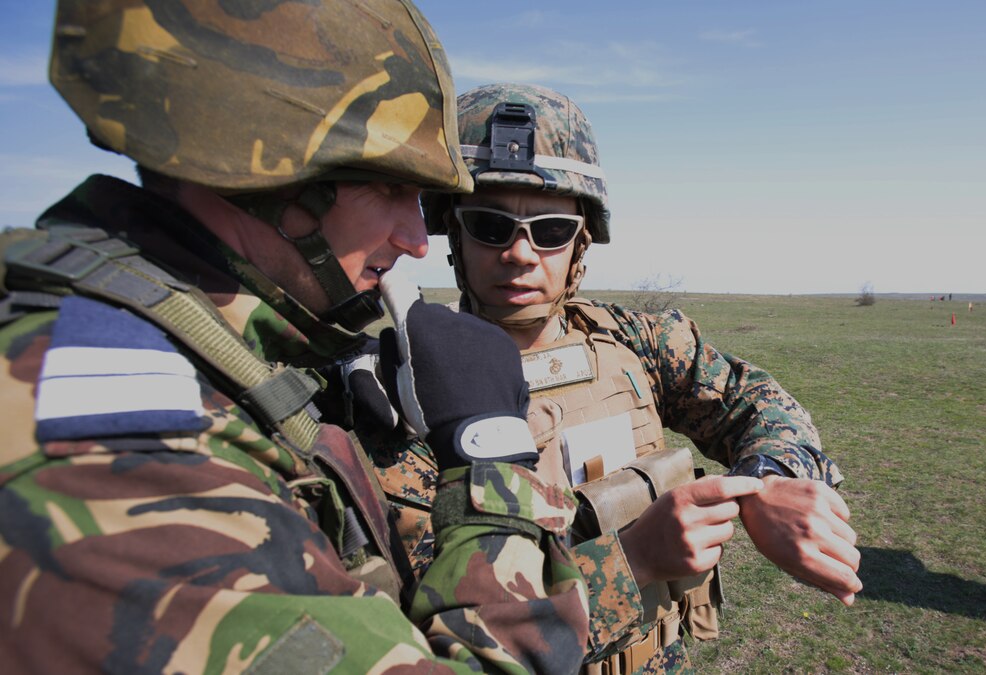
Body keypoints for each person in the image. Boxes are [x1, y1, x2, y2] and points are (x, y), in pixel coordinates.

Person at [0, 6, 594, 673]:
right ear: (260, 172)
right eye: (390, 188)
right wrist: (490, 455)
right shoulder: (117, 460)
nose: (416, 239)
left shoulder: (204, 353)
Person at [421, 83, 862, 673]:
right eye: (489, 225)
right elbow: (431, 636)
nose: (521, 253)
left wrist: (764, 483)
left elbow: (759, 404)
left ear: (581, 242)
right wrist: (634, 560)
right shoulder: (409, 388)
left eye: (550, 231)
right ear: (454, 233)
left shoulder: (637, 342)